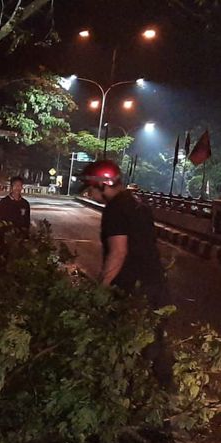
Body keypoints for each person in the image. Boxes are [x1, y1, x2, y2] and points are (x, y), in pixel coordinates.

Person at [79, 159, 173, 387]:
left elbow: (118, 253)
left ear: (103, 184)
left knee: (127, 345)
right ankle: (164, 398)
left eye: (91, 188)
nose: (89, 193)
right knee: (154, 344)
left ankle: (134, 397)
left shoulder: (115, 209)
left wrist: (100, 290)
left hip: (132, 291)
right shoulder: (138, 203)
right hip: (155, 286)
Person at [0, 176, 30, 255]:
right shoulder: (4, 202)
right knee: (4, 257)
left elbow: (27, 220)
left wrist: (26, 235)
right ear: (11, 187)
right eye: (16, 185)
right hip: (5, 235)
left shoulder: (25, 203)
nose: (18, 188)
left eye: (20, 185)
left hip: (19, 237)